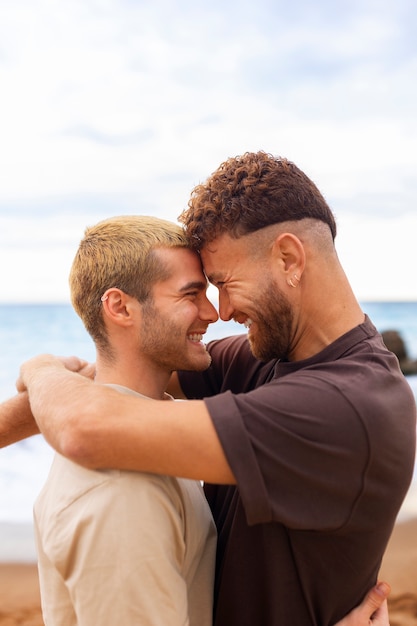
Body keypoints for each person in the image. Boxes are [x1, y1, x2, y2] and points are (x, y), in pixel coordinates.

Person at [5, 150, 410, 624]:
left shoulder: (347, 407)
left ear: (288, 258)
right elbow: (129, 373)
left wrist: (39, 369)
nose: (220, 311)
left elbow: (84, 424)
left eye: (221, 282)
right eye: (197, 291)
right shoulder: (272, 357)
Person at [29, 215, 219, 625]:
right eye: (191, 294)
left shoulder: (147, 429)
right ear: (120, 307)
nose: (212, 312)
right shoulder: (121, 490)